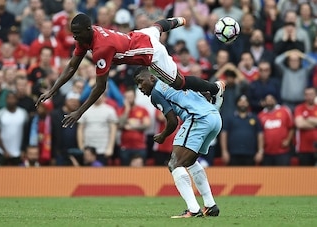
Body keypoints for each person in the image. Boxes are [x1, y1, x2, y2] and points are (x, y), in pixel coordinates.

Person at [36, 13, 225, 128]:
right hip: (137, 35)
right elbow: (72, 65)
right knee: (156, 27)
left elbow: (100, 87)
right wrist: (52, 90)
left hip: (150, 52)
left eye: (77, 34)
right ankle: (179, 20)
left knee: (178, 82)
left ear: (88, 29)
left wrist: (80, 111)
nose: (75, 37)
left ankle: (215, 88)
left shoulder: (102, 49)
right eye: (73, 34)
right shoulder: (85, 36)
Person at [134, 66, 221, 218]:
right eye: (137, 84)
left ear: (152, 78)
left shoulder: (156, 93)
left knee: (174, 163)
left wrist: (163, 135)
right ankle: (210, 205)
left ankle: (193, 210)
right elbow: (203, 92)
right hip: (215, 118)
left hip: (198, 118)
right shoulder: (174, 81)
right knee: (190, 161)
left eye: (141, 81)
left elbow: (172, 121)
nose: (140, 87)